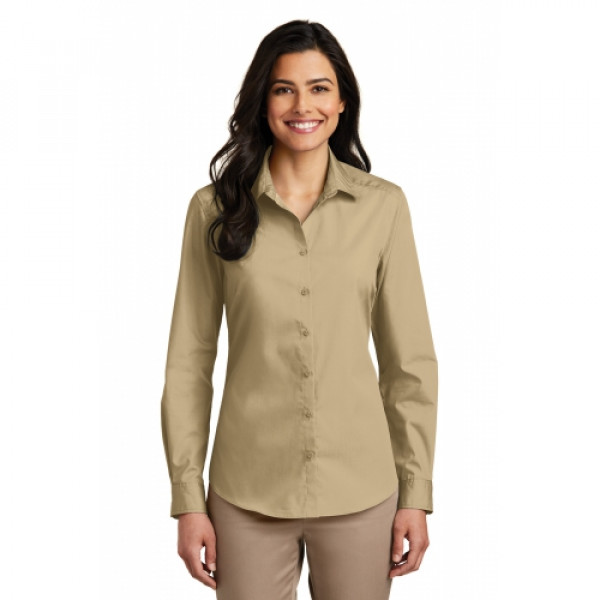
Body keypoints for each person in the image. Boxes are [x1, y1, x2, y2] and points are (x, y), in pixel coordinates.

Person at [160, 19, 438, 600]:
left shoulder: (383, 208)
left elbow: (408, 363)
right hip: (246, 493)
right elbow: (189, 363)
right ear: (262, 101)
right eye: (284, 88)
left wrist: (415, 493)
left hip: (362, 491)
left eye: (318, 88)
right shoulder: (214, 210)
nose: (302, 105)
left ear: (342, 102)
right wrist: (188, 500)